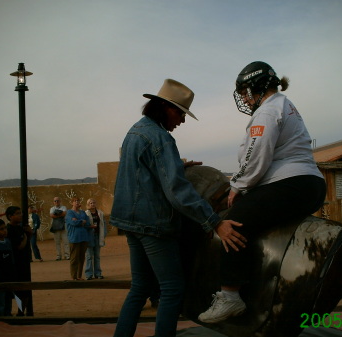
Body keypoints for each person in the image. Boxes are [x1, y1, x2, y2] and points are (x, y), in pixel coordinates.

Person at [110, 79, 246, 337]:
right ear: (163, 106)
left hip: (130, 222)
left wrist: (177, 167)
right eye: (179, 112)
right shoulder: (162, 139)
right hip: (154, 225)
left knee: (139, 288)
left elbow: (140, 174)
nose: (182, 120)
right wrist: (215, 221)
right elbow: (177, 192)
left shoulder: (135, 131)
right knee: (172, 289)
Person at [198, 61, 326, 323]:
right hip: (306, 182)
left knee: (233, 222)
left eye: (246, 91)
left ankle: (230, 295)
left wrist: (237, 185)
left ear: (258, 85)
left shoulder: (268, 111)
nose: (244, 98)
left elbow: (256, 156)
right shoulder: (282, 104)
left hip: (292, 182)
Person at [5, 206, 33, 316]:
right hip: (16, 263)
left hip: (23, 262)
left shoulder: (20, 228)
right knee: (17, 290)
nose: (20, 215)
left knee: (25, 290)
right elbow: (20, 246)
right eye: (17, 213)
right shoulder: (10, 230)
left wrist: (28, 234)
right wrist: (26, 236)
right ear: (10, 216)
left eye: (21, 213)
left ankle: (20, 312)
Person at [65, 197, 91, 280]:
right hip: (74, 238)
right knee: (74, 258)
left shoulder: (83, 212)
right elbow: (73, 222)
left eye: (78, 201)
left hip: (84, 237)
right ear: (72, 203)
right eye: (75, 201)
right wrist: (81, 221)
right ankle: (74, 276)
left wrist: (79, 221)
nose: (77, 202)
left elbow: (87, 222)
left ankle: (79, 276)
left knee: (81, 257)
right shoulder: (69, 213)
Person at [84, 198, 107, 280]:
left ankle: (98, 273)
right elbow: (84, 225)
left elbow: (103, 224)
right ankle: (88, 274)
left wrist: (104, 234)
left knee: (97, 256)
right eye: (90, 203)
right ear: (88, 204)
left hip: (98, 236)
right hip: (89, 236)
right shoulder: (85, 213)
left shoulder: (100, 213)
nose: (92, 204)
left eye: (94, 202)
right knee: (89, 256)